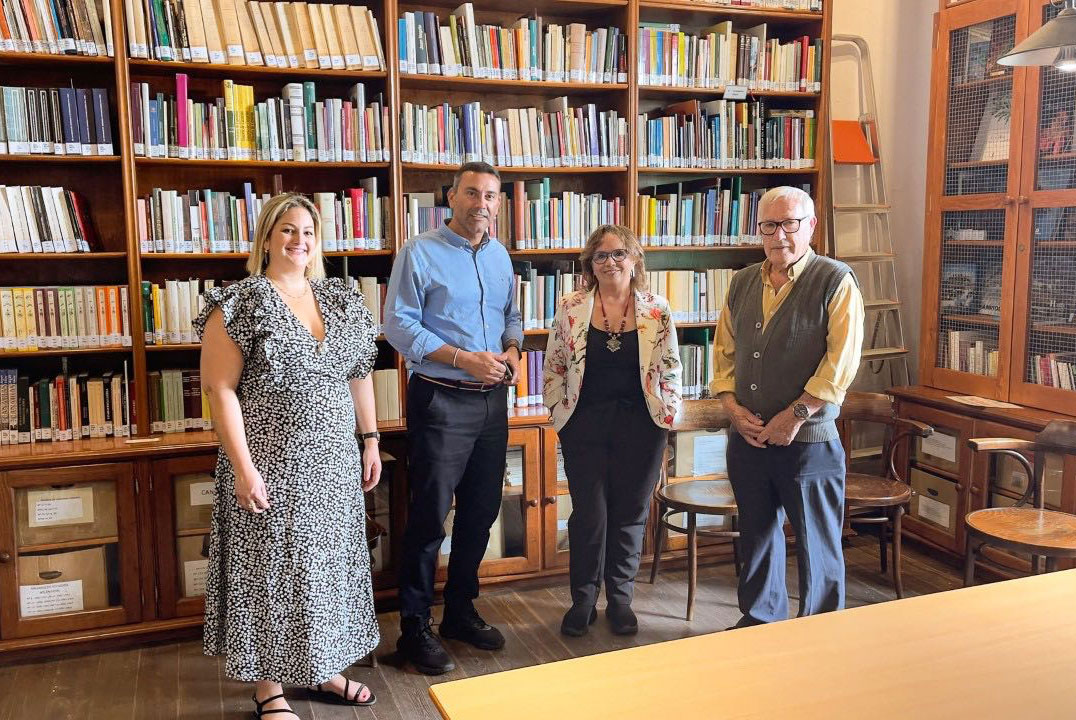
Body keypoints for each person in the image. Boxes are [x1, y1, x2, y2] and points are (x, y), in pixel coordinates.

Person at [195, 193, 383, 719]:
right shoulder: (241, 302)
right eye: (288, 230)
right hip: (271, 464)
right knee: (273, 573)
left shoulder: (341, 299)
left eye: (308, 232)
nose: (299, 241)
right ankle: (269, 688)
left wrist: (370, 439)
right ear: (266, 238)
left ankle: (323, 668)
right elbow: (220, 389)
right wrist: (243, 468)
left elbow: (359, 374)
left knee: (329, 571)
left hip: (334, 466)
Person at [383, 162, 523, 675]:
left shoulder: (500, 255)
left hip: (491, 403)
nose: (481, 204)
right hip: (441, 399)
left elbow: (511, 316)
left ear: (498, 203)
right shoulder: (419, 252)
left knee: (481, 512)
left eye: (490, 195)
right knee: (429, 517)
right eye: (472, 193)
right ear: (452, 197)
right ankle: (415, 627)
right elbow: (398, 325)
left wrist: (512, 350)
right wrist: (464, 359)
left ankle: (460, 611)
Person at [710, 185, 864, 628]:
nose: (779, 235)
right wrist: (732, 408)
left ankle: (820, 631)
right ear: (758, 229)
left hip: (809, 442)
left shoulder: (835, 280)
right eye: (769, 225)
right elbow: (724, 354)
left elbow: (840, 363)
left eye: (790, 224)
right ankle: (760, 621)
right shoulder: (742, 282)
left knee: (817, 543)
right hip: (748, 440)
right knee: (756, 537)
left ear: (810, 225)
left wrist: (796, 415)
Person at [543, 225, 683, 637]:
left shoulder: (657, 309)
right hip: (584, 425)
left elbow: (671, 366)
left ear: (635, 259)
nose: (610, 262)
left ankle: (620, 600)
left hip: (642, 426)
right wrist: (559, 414)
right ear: (590, 264)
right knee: (590, 514)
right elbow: (555, 365)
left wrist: (668, 412)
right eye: (600, 256)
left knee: (630, 513)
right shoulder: (572, 307)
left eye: (619, 253)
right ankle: (583, 600)